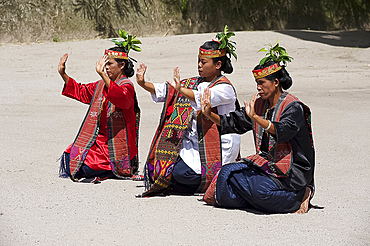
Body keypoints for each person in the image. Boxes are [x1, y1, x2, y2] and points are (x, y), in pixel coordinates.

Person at [202, 42, 315, 214]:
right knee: (225, 175)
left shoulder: (293, 107)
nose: (258, 88)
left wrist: (255, 117)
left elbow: (282, 131)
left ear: (276, 82)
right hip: (265, 166)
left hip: (291, 172)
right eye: (256, 83)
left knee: (261, 192)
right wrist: (209, 113)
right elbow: (234, 122)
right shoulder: (261, 104)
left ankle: (300, 195)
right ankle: (256, 198)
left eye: (262, 83)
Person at [136, 26, 240, 196]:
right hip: (191, 145)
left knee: (180, 174)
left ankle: (206, 181)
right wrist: (143, 83)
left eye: (204, 62)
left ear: (218, 65)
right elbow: (165, 90)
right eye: (198, 60)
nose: (199, 65)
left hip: (216, 148)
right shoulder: (192, 82)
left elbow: (202, 97)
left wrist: (180, 90)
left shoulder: (225, 88)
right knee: (157, 165)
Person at [58, 30, 141, 182]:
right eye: (105, 65)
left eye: (109, 64)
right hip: (100, 143)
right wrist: (63, 74)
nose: (106, 68)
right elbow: (82, 91)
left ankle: (116, 169)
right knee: (70, 156)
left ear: (122, 65)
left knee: (84, 167)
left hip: (117, 148)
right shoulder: (101, 85)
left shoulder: (127, 86)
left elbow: (120, 98)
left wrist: (102, 74)